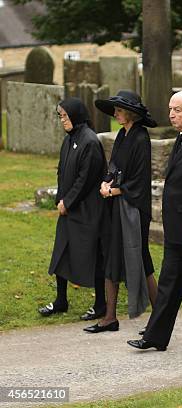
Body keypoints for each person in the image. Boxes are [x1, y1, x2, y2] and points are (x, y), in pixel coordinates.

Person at [127, 90, 182, 353]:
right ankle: (155, 337)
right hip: (176, 231)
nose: (171, 114)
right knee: (168, 286)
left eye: (177, 110)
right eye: (170, 109)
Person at [83, 90, 158, 333]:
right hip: (116, 205)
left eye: (119, 109)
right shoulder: (122, 135)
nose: (115, 113)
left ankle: (159, 319)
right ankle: (110, 317)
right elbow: (114, 167)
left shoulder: (140, 138)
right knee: (111, 257)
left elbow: (139, 179)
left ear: (131, 113)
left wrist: (114, 191)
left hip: (134, 208)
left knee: (141, 258)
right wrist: (106, 182)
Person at [39, 97, 107, 320]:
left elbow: (85, 179)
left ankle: (100, 305)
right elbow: (62, 172)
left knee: (93, 255)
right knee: (61, 253)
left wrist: (68, 202)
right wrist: (62, 198)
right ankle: (61, 301)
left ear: (76, 115)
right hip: (69, 208)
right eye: (60, 116)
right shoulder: (70, 139)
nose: (63, 120)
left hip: (87, 210)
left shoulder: (90, 141)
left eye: (65, 116)